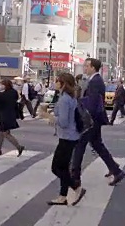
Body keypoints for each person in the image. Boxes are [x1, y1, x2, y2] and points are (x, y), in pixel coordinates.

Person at [70, 58, 125, 187]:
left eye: (86, 66)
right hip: (94, 119)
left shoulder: (95, 81)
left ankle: (75, 177)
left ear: (93, 68)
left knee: (80, 146)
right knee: (97, 145)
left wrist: (80, 103)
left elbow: (93, 102)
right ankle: (116, 170)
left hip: (91, 120)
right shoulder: (94, 80)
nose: (84, 68)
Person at [46, 72, 86, 206]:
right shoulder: (68, 97)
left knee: (56, 168)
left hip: (67, 137)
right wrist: (52, 113)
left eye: (57, 80)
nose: (55, 82)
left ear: (63, 83)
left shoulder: (64, 99)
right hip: (71, 136)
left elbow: (63, 122)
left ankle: (76, 187)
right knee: (63, 167)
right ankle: (62, 197)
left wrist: (49, 117)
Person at [0, 79, 25, 156]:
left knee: (6, 133)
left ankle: (19, 147)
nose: (0, 86)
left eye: (1, 85)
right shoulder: (13, 92)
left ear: (5, 85)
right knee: (1, 132)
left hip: (4, 115)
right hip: (11, 114)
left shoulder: (1, 95)